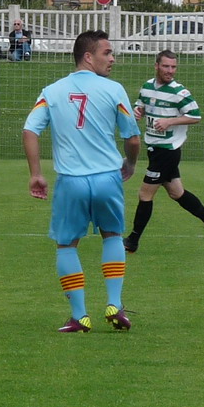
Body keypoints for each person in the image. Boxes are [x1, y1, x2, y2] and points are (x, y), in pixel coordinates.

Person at [23, 30, 140, 333]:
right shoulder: (114, 90)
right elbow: (133, 138)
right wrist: (130, 162)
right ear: (88, 56)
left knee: (66, 246)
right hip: (106, 178)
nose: (113, 59)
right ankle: (114, 304)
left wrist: (36, 173)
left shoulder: (52, 91)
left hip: (71, 181)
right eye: (107, 53)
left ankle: (80, 316)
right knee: (113, 236)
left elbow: (30, 131)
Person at [123, 50, 204, 254]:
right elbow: (140, 105)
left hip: (167, 151)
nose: (170, 71)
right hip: (155, 149)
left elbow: (195, 116)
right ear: (156, 66)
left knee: (144, 194)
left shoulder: (180, 92)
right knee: (177, 193)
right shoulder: (147, 87)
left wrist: (170, 120)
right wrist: (137, 111)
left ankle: (132, 241)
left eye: (173, 67)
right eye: (166, 66)